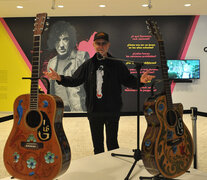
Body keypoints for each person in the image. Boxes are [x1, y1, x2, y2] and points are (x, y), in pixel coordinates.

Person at [44, 32, 155, 154]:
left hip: (112, 110)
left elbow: (128, 80)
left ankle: (113, 168)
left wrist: (140, 80)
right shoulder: (87, 65)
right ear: (94, 45)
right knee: (97, 146)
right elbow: (75, 80)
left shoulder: (117, 64)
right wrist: (59, 77)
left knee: (113, 144)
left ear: (108, 45)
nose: (101, 46)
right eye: (98, 43)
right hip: (94, 111)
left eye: (104, 43)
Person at [46, 21, 89, 111]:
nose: (61, 45)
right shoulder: (51, 63)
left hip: (77, 109)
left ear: (71, 40)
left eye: (65, 39)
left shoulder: (81, 57)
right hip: (57, 109)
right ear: (53, 42)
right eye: (58, 40)